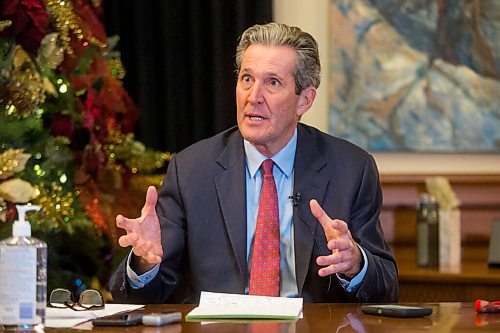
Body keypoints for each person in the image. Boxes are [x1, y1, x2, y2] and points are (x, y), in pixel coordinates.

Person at [109, 22, 398, 304]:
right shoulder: (191, 170)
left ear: (304, 100)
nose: (253, 97)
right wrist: (144, 264)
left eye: (272, 82)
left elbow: (386, 289)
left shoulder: (351, 170)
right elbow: (143, 295)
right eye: (247, 79)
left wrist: (355, 264)